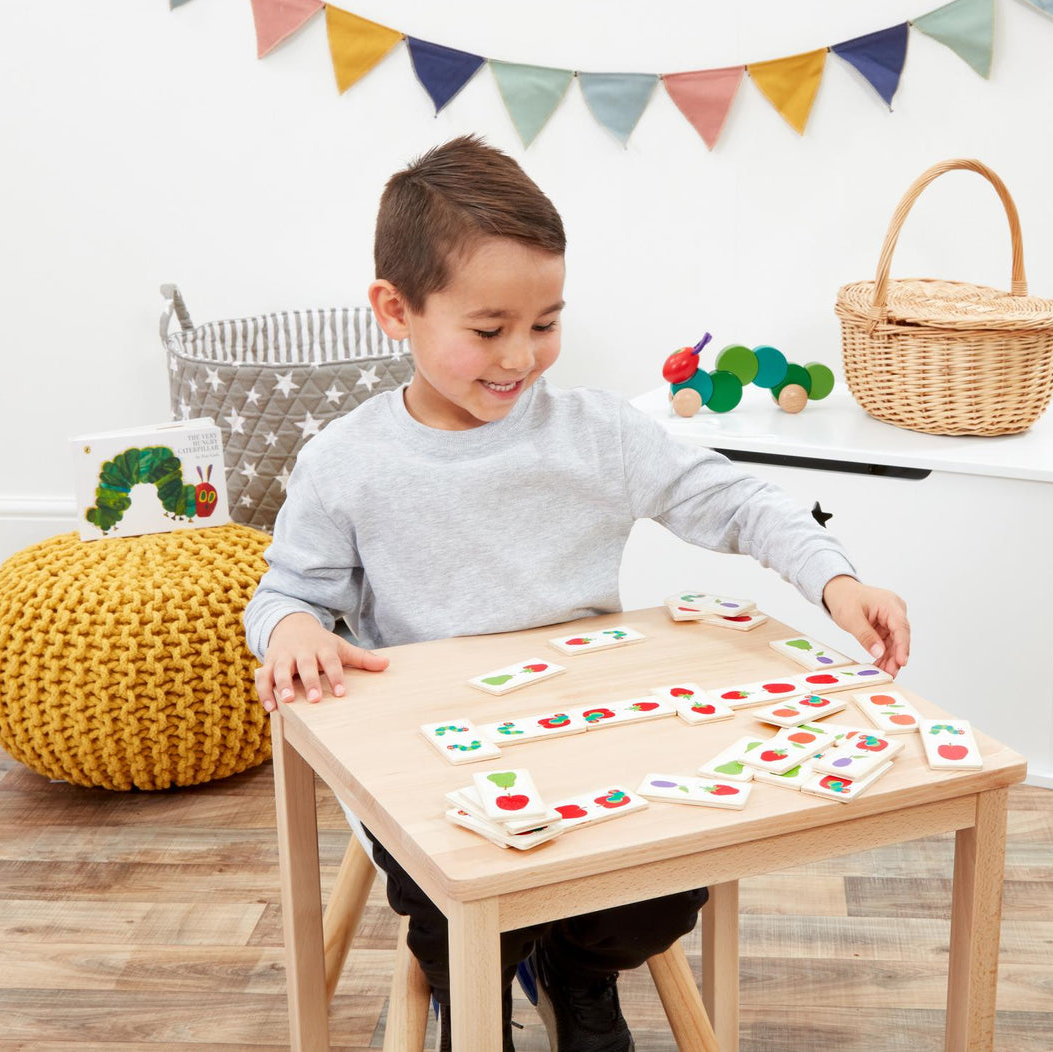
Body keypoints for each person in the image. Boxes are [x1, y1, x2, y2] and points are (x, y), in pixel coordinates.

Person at [244, 134, 910, 1052]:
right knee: (463, 906)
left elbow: (734, 499)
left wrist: (833, 579)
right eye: (487, 330)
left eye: (545, 322)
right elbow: (286, 595)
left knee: (675, 874)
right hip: (432, 765)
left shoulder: (600, 432)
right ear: (394, 310)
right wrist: (289, 631)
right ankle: (476, 985)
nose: (520, 356)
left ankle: (580, 974)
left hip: (602, 733)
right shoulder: (343, 464)